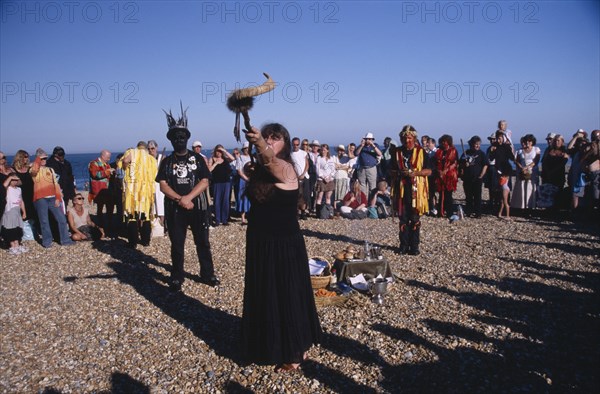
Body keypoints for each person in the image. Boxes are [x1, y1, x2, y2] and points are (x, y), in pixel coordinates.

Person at [241, 123, 321, 371]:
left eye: (276, 139)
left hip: (282, 245)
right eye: (267, 138)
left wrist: (260, 144)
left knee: (285, 295)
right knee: (267, 293)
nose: (270, 141)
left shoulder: (285, 168)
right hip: (260, 242)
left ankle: (294, 353)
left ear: (285, 144)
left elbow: (270, 160)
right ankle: (268, 343)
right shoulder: (263, 170)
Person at [156, 107, 219, 292]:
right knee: (177, 244)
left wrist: (189, 197)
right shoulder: (166, 162)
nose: (179, 139)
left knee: (203, 242)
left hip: (197, 207)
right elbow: (163, 184)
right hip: (175, 209)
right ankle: (177, 276)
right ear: (170, 139)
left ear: (187, 138)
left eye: (182, 136)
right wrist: (180, 199)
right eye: (175, 137)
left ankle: (207, 274)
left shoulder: (198, 159)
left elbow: (205, 180)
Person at [390, 125, 431, 255]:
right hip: (401, 189)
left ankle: (414, 246)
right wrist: (398, 173)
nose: (406, 140)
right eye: (404, 138)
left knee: (414, 218)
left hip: (416, 191)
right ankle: (403, 245)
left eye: (409, 138)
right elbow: (390, 170)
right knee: (403, 218)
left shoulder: (421, 152)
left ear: (414, 138)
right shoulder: (396, 152)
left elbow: (429, 171)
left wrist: (416, 173)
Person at [30, 148, 74, 248]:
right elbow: (34, 172)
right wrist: (38, 159)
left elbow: (56, 185)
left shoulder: (50, 169)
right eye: (42, 159)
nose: (44, 160)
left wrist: (58, 197)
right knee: (44, 221)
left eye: (45, 158)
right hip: (40, 198)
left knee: (62, 219)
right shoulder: (33, 169)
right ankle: (47, 241)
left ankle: (65, 239)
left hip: (52, 197)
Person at [118, 141, 157, 248]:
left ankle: (133, 242)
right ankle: (145, 241)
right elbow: (154, 175)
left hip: (133, 190)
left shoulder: (132, 152)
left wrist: (126, 167)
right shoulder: (151, 159)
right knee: (146, 216)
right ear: (145, 148)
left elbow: (125, 161)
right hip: (146, 191)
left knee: (132, 216)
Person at [459, 136, 489, 218]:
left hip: (477, 178)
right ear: (472, 144)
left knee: (477, 196)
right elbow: (460, 164)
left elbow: (485, 165)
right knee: (468, 196)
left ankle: (478, 213)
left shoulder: (481, 154)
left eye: (479, 144)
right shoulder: (466, 153)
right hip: (467, 178)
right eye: (476, 144)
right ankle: (468, 211)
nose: (477, 146)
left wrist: (481, 175)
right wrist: (464, 165)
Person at [511, 134, 541, 212]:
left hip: (532, 171)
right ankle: (522, 207)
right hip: (522, 171)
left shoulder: (536, 149)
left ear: (532, 142)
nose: (528, 142)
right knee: (522, 188)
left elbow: (536, 160)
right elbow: (516, 160)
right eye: (526, 141)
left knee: (531, 188)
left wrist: (528, 167)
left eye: (529, 141)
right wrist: (522, 168)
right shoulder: (520, 150)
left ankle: (531, 207)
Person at [11, 150, 36, 241]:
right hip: (20, 195)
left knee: (32, 214)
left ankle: (32, 233)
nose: (27, 158)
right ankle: (27, 235)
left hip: (31, 194)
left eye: (27, 156)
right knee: (22, 215)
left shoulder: (29, 168)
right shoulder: (13, 169)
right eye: (25, 156)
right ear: (20, 157)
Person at [88, 150, 115, 234]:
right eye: (108, 157)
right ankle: (100, 229)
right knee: (99, 210)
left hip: (107, 191)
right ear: (103, 156)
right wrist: (107, 172)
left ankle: (109, 227)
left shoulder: (107, 165)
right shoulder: (94, 163)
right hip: (98, 191)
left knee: (110, 209)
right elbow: (95, 174)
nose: (109, 159)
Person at [208, 144, 235, 226]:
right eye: (217, 151)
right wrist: (216, 163)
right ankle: (217, 219)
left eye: (220, 151)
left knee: (226, 201)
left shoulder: (225, 159)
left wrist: (224, 151)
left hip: (226, 182)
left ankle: (225, 219)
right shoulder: (212, 159)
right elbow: (209, 169)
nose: (219, 153)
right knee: (217, 201)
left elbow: (233, 158)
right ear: (215, 151)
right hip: (217, 183)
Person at [1, 173, 27, 254]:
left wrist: (24, 212)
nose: (15, 182)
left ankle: (17, 244)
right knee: (10, 229)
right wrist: (10, 177)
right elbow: (3, 186)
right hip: (9, 210)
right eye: (13, 180)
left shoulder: (19, 189)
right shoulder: (8, 189)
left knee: (17, 228)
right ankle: (12, 246)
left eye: (16, 180)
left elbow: (21, 201)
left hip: (17, 211)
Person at [433, 134, 459, 218]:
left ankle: (449, 212)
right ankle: (441, 212)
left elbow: (454, 163)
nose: (444, 143)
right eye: (442, 141)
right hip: (440, 175)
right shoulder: (439, 151)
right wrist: (439, 171)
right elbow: (436, 163)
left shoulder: (453, 150)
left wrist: (445, 171)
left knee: (448, 195)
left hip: (450, 176)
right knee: (441, 194)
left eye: (445, 141)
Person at [148, 140, 166, 229]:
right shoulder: (147, 159)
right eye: (149, 149)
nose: (151, 151)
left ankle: (163, 224)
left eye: (152, 148)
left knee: (161, 204)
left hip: (160, 185)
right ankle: (154, 225)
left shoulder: (162, 158)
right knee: (152, 206)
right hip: (150, 185)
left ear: (156, 148)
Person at [315, 143, 336, 218]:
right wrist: (323, 177)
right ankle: (318, 213)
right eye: (322, 150)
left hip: (330, 180)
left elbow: (333, 169)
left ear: (327, 150)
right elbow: (317, 170)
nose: (323, 151)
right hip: (321, 180)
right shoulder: (319, 158)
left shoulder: (331, 158)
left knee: (328, 197)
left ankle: (327, 213)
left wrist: (330, 177)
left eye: (324, 150)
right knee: (320, 196)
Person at [291, 137, 309, 220]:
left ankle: (303, 212)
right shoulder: (290, 154)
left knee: (305, 195)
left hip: (305, 176)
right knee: (297, 195)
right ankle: (297, 212)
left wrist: (303, 173)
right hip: (295, 178)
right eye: (294, 145)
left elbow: (307, 164)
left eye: (297, 144)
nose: (295, 146)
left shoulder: (303, 153)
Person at [235, 142, 252, 225]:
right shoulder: (240, 158)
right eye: (245, 148)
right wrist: (246, 179)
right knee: (242, 197)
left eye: (248, 148)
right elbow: (239, 171)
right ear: (243, 149)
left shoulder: (252, 158)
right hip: (243, 180)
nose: (247, 150)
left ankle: (250, 216)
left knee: (251, 197)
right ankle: (243, 219)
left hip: (251, 179)